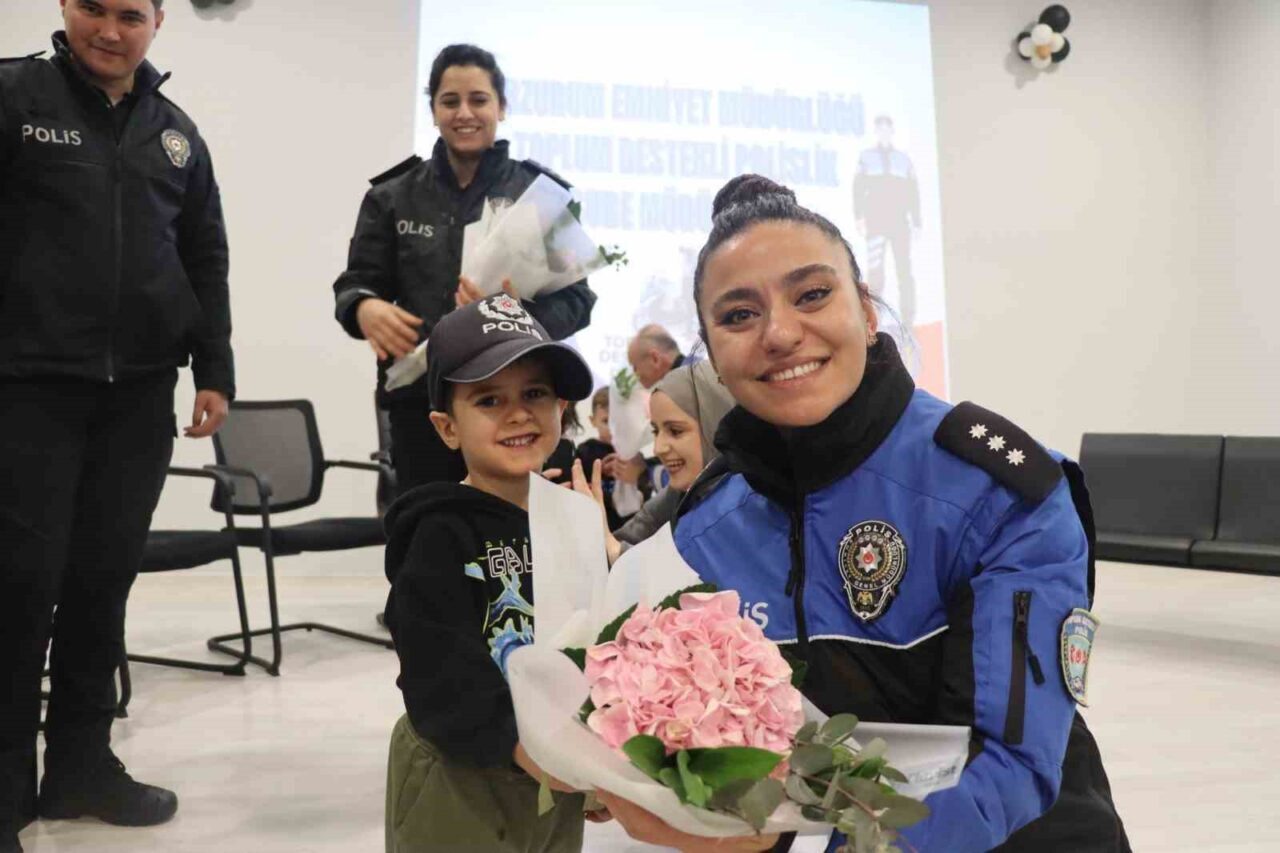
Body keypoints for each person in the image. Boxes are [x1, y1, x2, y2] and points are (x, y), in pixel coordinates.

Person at [603, 175, 1128, 853]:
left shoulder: (999, 491)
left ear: (869, 311)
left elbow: (1015, 768)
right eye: (738, 315)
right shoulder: (704, 527)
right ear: (709, 354)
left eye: (812, 294)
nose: (780, 333)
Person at [0, 2, 234, 850]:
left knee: (101, 585)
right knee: (19, 588)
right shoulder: (15, 97)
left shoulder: (176, 133)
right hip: (28, 389)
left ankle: (81, 768)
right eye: (94, 7)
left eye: (130, 13)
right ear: (66, 8)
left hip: (138, 396)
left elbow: (204, 254)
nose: (111, 27)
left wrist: (216, 370)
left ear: (158, 21)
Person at [382, 295, 599, 853]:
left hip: (553, 763)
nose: (519, 412)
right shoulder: (439, 532)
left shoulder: (572, 519)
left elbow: (593, 641)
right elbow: (438, 666)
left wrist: (599, 747)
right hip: (460, 771)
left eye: (535, 393)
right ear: (446, 427)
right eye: (488, 399)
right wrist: (519, 745)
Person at [333, 43, 596, 495]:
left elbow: (579, 300)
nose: (464, 113)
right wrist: (364, 309)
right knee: (431, 538)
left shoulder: (541, 195)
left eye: (479, 99)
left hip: (520, 406)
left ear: (501, 106)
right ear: (433, 109)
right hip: (423, 405)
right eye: (449, 101)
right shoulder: (392, 196)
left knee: (526, 543)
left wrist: (515, 316)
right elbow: (355, 285)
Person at [607, 359, 735, 561]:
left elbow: (688, 577)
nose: (658, 448)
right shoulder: (679, 495)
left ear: (715, 426)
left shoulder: (755, 503)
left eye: (675, 431)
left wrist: (613, 550)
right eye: (656, 432)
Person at [853, 115, 921, 330]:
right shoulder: (866, 157)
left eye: (887, 129)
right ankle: (874, 322)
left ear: (891, 132)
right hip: (876, 222)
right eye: (879, 129)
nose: (883, 133)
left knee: (904, 270)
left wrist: (917, 221)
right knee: (875, 272)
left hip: (899, 222)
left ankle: (909, 321)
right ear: (876, 132)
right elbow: (857, 188)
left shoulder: (903, 159)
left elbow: (913, 192)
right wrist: (859, 217)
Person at [625, 323, 687, 390]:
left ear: (655, 359)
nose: (634, 374)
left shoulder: (676, 390)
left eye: (635, 367)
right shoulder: (695, 371)